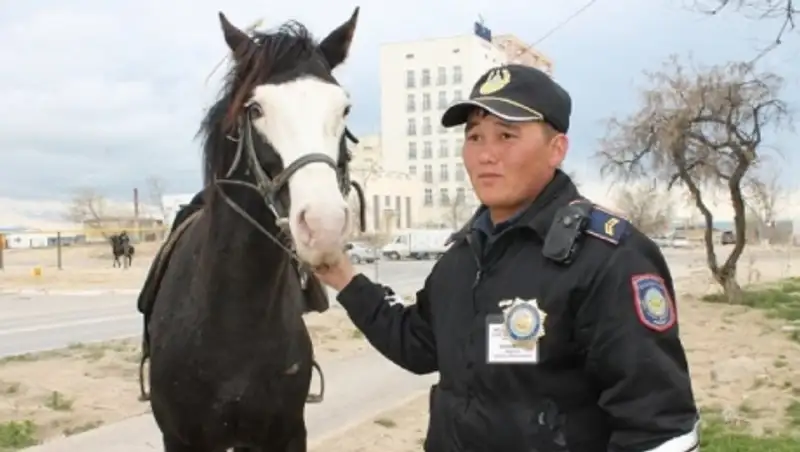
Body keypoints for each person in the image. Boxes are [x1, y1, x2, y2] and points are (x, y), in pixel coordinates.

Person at [314, 64, 699, 452]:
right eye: (475, 137)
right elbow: (417, 344)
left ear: (557, 149)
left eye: (506, 136)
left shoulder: (607, 258)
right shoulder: (463, 258)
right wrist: (344, 277)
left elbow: (659, 429)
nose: (486, 155)